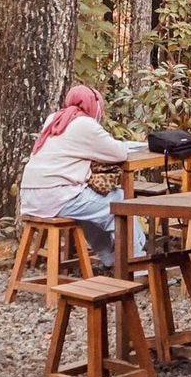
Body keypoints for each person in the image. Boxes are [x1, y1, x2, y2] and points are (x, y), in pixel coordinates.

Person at [20, 84, 145, 271]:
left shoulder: (54, 119)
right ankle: (139, 263)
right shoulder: (85, 124)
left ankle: (108, 256)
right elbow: (118, 153)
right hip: (58, 197)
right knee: (119, 201)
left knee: (91, 207)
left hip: (32, 197)